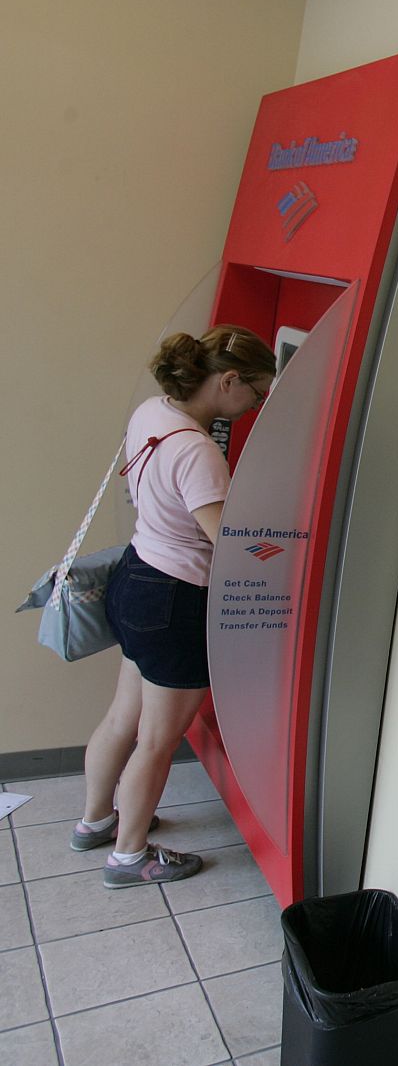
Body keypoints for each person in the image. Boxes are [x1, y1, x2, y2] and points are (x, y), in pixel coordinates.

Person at [71, 324, 275, 888]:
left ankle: (96, 823)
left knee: (122, 718)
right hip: (176, 600)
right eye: (255, 393)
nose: (255, 405)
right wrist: (284, 547)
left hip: (135, 580)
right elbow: (228, 544)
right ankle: (130, 857)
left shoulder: (152, 413)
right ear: (228, 380)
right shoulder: (199, 451)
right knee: (157, 740)